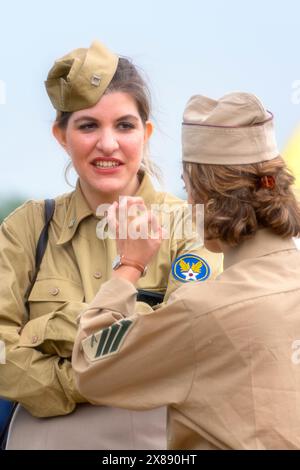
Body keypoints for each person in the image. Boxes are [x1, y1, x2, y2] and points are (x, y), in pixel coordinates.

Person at [0, 40, 222, 450]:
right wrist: (83, 378)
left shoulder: (192, 228)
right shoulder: (26, 228)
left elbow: (183, 345)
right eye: (88, 126)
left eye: (124, 125)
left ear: (146, 132)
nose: (107, 144)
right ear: (61, 136)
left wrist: (45, 332)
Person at [72, 92, 300, 450]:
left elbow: (92, 363)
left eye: (188, 186)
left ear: (204, 196)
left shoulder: (205, 309)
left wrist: (129, 265)